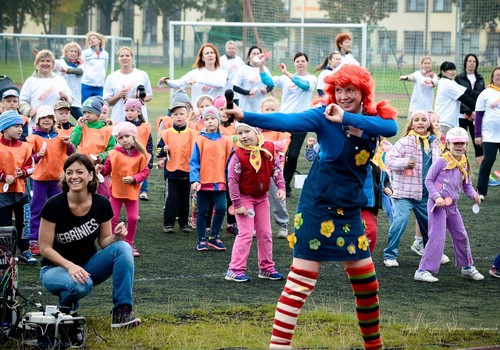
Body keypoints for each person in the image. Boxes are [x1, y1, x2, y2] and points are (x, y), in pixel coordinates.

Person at [226, 64, 398, 350]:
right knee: (300, 282)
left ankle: (374, 347)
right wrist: (243, 115)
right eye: (338, 90)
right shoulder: (323, 116)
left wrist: (349, 118)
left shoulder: (371, 118)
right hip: (317, 210)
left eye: (350, 90)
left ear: (362, 92)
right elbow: (287, 121)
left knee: (367, 286)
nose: (343, 96)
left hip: (350, 211)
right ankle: (279, 347)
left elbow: (390, 127)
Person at [38, 153, 141, 328]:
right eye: (69, 172)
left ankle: (121, 314)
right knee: (81, 285)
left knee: (123, 248)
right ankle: (66, 305)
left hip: (88, 266)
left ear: (91, 175)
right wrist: (69, 266)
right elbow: (44, 248)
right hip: (54, 269)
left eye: (79, 172)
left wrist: (116, 237)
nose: (74, 177)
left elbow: (103, 241)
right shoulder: (54, 205)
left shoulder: (102, 203)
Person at [414, 127, 484, 282]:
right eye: (455, 143)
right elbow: (428, 180)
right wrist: (436, 196)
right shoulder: (441, 160)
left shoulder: (464, 163)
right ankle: (422, 270)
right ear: (448, 144)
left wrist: (474, 195)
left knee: (461, 235)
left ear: (467, 145)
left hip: (452, 206)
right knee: (437, 237)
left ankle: (467, 267)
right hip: (437, 206)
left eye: (462, 143)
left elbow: (467, 185)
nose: (459, 146)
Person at [225, 122, 286, 282]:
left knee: (265, 233)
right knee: (245, 233)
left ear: (257, 132)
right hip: (244, 198)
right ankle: (234, 269)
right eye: (240, 133)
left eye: (247, 132)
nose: (243, 136)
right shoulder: (238, 154)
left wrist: (281, 187)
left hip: (262, 197)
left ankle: (266, 268)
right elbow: (232, 181)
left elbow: (277, 168)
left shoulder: (269, 148)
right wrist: (237, 205)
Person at [383, 110, 442, 267]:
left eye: (424, 119)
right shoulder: (405, 142)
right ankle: (390, 254)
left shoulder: (435, 143)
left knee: (430, 225)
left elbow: (441, 164)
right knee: (399, 223)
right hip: (405, 194)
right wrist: (404, 163)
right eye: (416, 120)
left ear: (429, 123)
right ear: (411, 124)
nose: (420, 122)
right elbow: (389, 160)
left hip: (425, 194)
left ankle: (432, 253)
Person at [259, 52, 317, 197]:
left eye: (303, 61)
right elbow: (268, 81)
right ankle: (269, 183)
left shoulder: (311, 78)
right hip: (284, 121)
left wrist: (287, 73)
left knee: (293, 155)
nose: (300, 63)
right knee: (278, 153)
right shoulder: (284, 79)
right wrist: (260, 65)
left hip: (301, 122)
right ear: (294, 63)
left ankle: (285, 185)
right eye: (297, 61)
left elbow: (303, 85)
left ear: (307, 63)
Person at [27, 106, 76, 256]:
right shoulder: (33, 137)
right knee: (37, 209)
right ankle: (34, 240)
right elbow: (28, 159)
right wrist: (37, 156)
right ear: (38, 121)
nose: (47, 120)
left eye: (49, 117)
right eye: (43, 118)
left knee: (60, 209)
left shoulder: (60, 135)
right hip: (40, 180)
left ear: (53, 120)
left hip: (58, 180)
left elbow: (72, 152)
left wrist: (69, 144)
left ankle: (59, 237)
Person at [96, 122, 150, 257]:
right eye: (121, 138)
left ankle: (129, 243)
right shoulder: (113, 153)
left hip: (132, 194)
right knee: (113, 218)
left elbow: (145, 172)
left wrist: (134, 178)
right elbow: (107, 169)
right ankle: (114, 243)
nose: (124, 140)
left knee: (132, 219)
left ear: (133, 137)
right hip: (116, 193)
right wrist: (100, 169)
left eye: (127, 136)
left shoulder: (141, 155)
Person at [190, 106, 232, 252]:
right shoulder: (199, 140)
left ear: (218, 121)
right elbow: (194, 162)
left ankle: (214, 236)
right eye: (206, 119)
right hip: (203, 183)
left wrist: (230, 181)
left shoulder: (226, 141)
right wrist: (194, 180)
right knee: (202, 211)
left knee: (221, 208)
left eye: (213, 118)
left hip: (220, 183)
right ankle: (201, 239)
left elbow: (230, 163)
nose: (210, 122)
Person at [0, 110, 37, 265]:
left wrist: (22, 172)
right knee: (4, 225)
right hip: (3, 194)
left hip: (22, 192)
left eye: (21, 126)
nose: (20, 129)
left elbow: (31, 166)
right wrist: (3, 176)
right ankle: (6, 253)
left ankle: (24, 251)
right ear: (4, 128)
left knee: (24, 223)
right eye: (15, 126)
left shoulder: (27, 147)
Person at [157, 98, 198, 233]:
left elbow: (197, 151)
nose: (179, 116)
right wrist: (163, 153)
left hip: (187, 171)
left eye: (181, 114)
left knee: (185, 199)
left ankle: (184, 224)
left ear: (187, 116)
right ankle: (168, 224)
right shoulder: (166, 133)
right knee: (171, 198)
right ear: (171, 116)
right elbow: (159, 149)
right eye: (175, 114)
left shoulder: (193, 134)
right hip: (172, 171)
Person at [259, 96, 291, 239]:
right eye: (267, 109)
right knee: (256, 198)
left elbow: (282, 144)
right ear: (261, 111)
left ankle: (283, 224)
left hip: (274, 170)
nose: (270, 112)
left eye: (273, 109)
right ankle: (256, 226)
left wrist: (262, 143)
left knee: (278, 198)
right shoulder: (256, 128)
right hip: (257, 168)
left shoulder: (281, 127)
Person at [19, 50, 73, 129]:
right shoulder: (31, 81)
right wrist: (28, 111)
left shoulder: (59, 80)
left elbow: (71, 98)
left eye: (48, 61)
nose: (45, 63)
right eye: (42, 61)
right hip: (36, 125)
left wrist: (66, 97)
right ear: (37, 64)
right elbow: (22, 101)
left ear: (53, 64)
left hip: (56, 126)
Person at [159, 43, 228, 103]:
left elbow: (221, 84)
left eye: (212, 53)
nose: (210, 55)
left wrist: (198, 81)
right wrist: (166, 81)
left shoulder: (222, 72)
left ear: (216, 56)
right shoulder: (195, 73)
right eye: (207, 53)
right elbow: (178, 83)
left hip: (216, 113)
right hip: (198, 113)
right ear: (202, 58)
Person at [103, 47, 153, 123]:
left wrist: (141, 98)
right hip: (119, 119)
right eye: (121, 56)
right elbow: (107, 102)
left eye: (127, 55)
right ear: (118, 59)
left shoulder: (142, 75)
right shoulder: (111, 77)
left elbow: (149, 96)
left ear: (132, 59)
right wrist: (118, 96)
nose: (124, 58)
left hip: (138, 119)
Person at [455, 54, 486, 169]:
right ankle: (459, 171)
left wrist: (476, 113)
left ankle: (485, 175)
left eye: (474, 61)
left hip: (476, 117)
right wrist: (469, 112)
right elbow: (458, 97)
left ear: (476, 64)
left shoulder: (480, 79)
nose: (471, 63)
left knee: (479, 144)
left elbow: (483, 97)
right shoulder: (459, 78)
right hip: (462, 116)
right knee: (460, 144)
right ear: (465, 63)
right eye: (469, 61)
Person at [474, 67, 500, 200]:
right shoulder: (485, 93)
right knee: (488, 160)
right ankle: (481, 192)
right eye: (497, 75)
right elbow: (478, 115)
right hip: (490, 135)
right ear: (492, 77)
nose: (499, 77)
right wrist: (477, 134)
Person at [434, 61, 478, 136]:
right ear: (443, 72)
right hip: (444, 124)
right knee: (444, 147)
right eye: (450, 69)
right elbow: (465, 98)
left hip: (450, 124)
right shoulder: (446, 84)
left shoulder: (451, 82)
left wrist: (487, 94)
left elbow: (469, 92)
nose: (453, 72)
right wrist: (480, 110)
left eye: (454, 69)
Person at [123, 98, 153, 201]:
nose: (129, 113)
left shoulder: (145, 126)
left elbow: (149, 143)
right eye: (127, 110)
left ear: (139, 111)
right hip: (127, 158)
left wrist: (150, 159)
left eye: (132, 110)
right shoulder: (123, 126)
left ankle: (143, 191)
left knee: (142, 175)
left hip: (141, 157)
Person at [231, 46, 273, 112]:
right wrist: (248, 92)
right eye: (254, 53)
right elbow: (235, 87)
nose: (256, 55)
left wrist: (266, 90)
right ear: (249, 56)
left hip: (260, 107)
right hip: (245, 107)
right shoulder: (243, 69)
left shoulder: (264, 69)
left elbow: (271, 84)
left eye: (258, 54)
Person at [55, 42, 85, 119]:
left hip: (74, 99)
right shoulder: (60, 62)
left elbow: (80, 71)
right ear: (66, 52)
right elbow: (50, 61)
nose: (73, 53)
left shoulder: (81, 64)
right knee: (58, 120)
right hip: (62, 97)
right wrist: (39, 54)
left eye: (76, 52)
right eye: (71, 51)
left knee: (82, 120)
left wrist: (67, 70)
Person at [81, 31, 109, 103]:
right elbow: (82, 67)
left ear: (99, 40)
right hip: (87, 85)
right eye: (90, 39)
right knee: (86, 106)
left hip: (99, 86)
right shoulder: (85, 53)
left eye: (94, 38)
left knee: (98, 107)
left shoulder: (105, 54)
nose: (91, 40)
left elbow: (105, 67)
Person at [220, 40, 245, 104]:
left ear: (236, 50)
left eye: (233, 48)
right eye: (229, 48)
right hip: (224, 92)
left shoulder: (239, 60)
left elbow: (244, 72)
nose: (231, 50)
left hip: (237, 94)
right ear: (226, 49)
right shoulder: (221, 60)